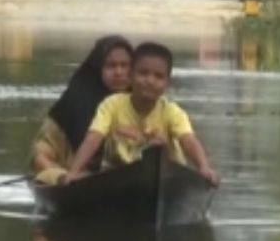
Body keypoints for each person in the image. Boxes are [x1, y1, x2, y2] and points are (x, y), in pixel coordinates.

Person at [65, 42, 219, 186]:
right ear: (131, 76)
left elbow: (189, 141)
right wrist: (74, 172)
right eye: (143, 73)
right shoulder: (111, 105)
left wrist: (203, 167)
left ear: (167, 83)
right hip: (120, 173)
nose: (150, 81)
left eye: (158, 76)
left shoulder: (172, 112)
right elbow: (93, 138)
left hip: (169, 178)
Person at [29, 35, 134, 185]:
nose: (118, 72)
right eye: (111, 66)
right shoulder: (74, 103)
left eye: (125, 66)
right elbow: (39, 155)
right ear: (98, 69)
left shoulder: (142, 103)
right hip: (73, 176)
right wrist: (63, 176)